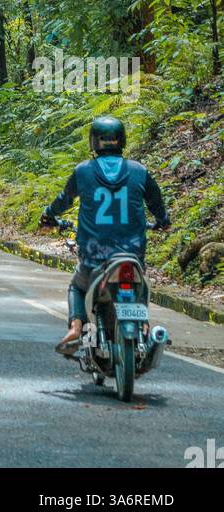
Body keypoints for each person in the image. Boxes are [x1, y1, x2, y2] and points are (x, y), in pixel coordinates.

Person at [39, 115, 169, 355]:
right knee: (141, 285)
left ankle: (77, 328)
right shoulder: (139, 171)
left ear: (93, 142)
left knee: (77, 287)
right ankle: (144, 326)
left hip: (94, 256)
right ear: (122, 141)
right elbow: (156, 202)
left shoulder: (83, 172)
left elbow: (63, 201)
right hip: (131, 254)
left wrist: (48, 215)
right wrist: (163, 221)